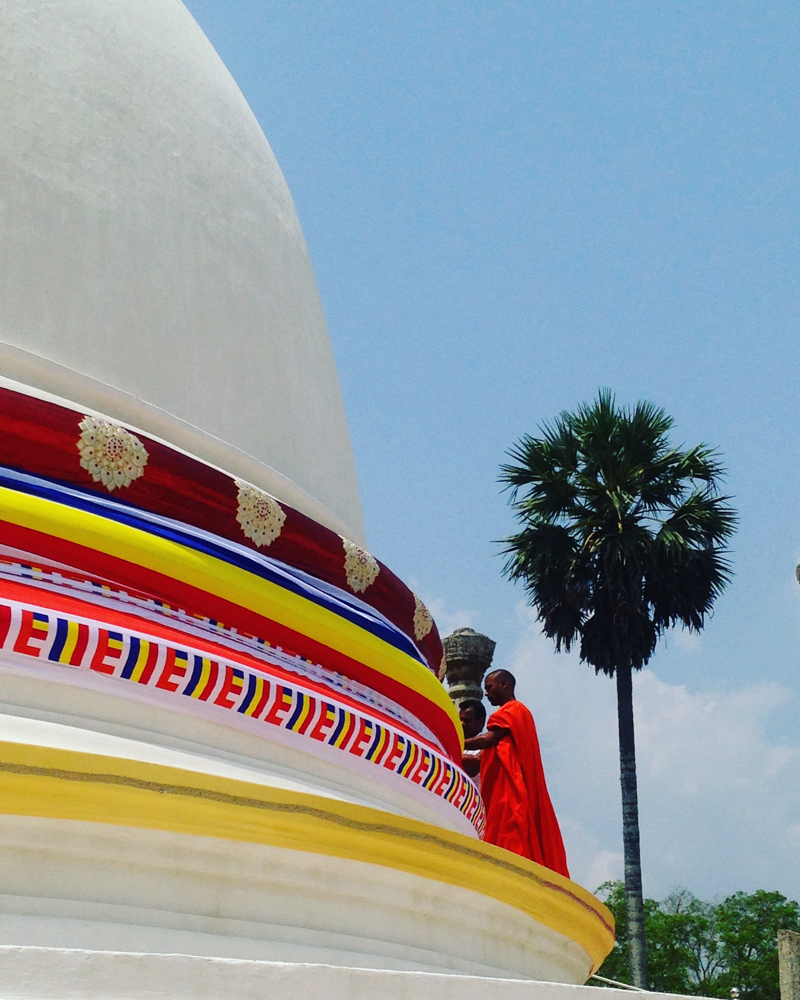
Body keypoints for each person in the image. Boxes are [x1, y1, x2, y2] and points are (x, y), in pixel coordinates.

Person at [463, 669, 569, 877]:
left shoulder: (511, 711)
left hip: (510, 789)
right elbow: (483, 760)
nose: (487, 694)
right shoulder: (520, 714)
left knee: (511, 835)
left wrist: (453, 738)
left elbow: (487, 740)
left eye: (489, 688)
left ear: (504, 685)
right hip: (505, 787)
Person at [459, 698, 486, 783]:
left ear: (480, 722)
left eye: (467, 720)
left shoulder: (486, 746)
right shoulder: (455, 745)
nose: (462, 724)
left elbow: (475, 765)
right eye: (460, 720)